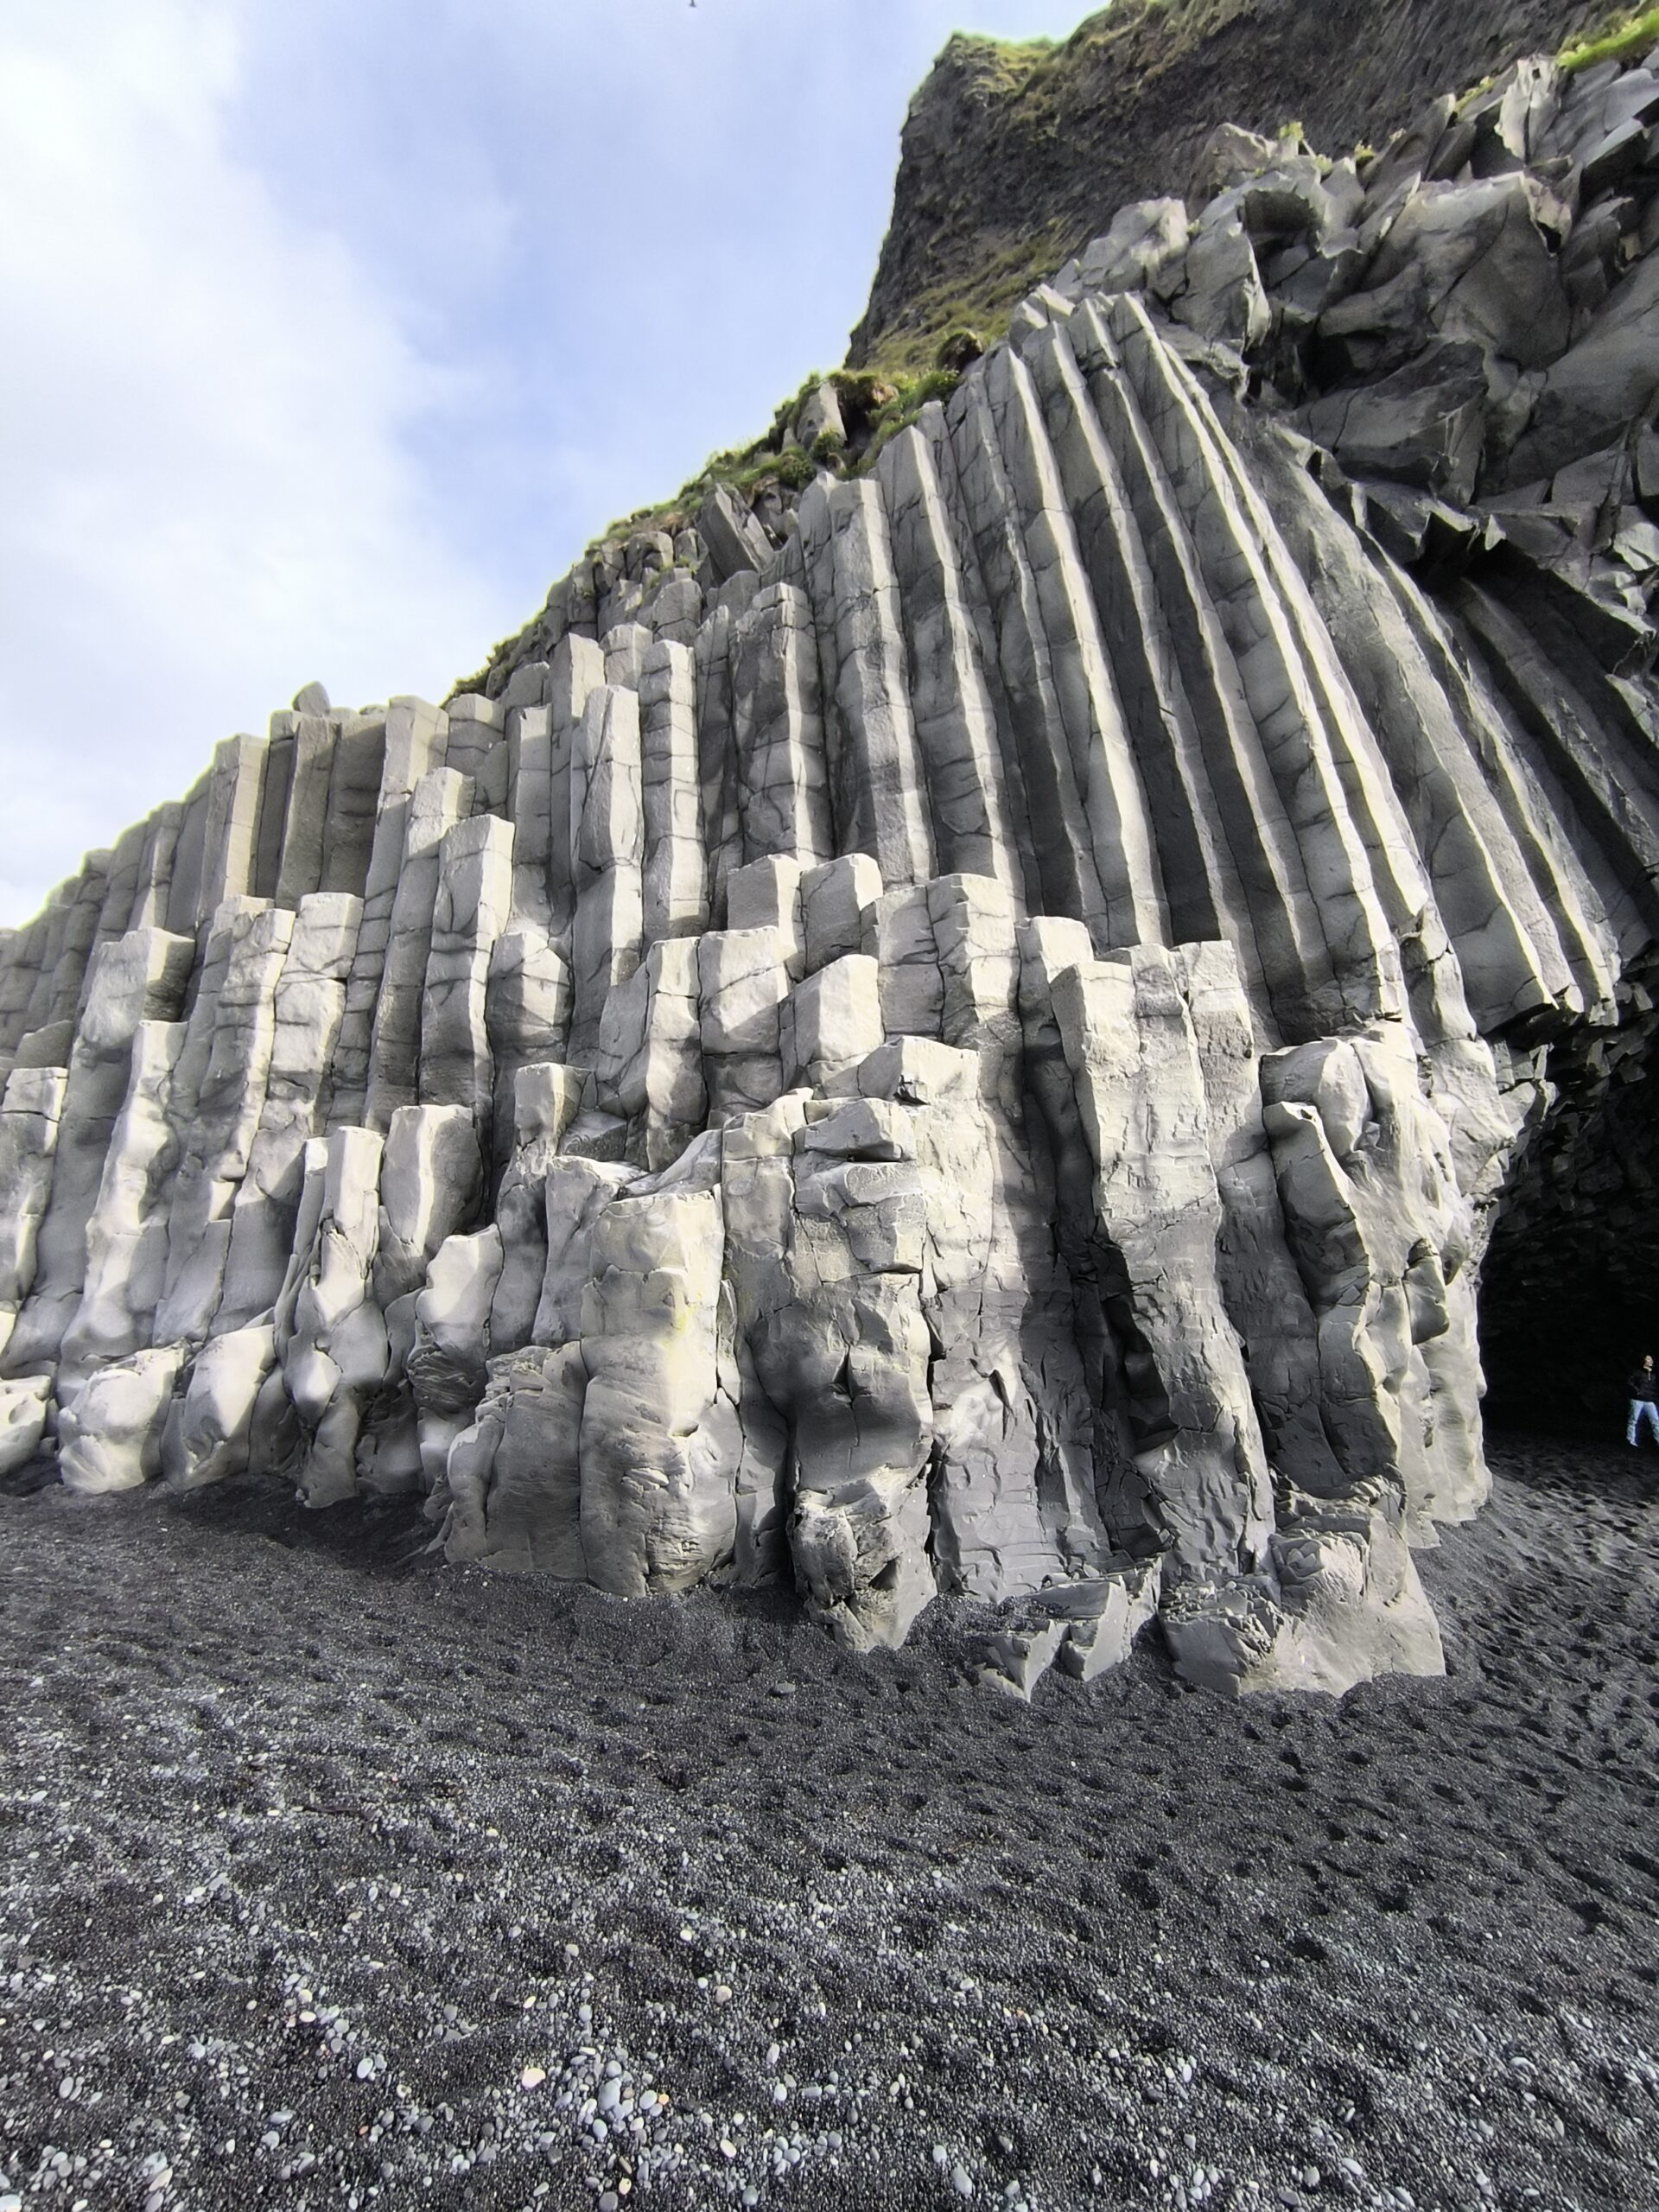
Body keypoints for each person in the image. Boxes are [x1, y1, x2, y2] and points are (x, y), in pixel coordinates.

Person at [1628, 1355, 1659, 1446]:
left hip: (1649, 1400)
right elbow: (1629, 1382)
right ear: (1644, 1361)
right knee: (1633, 1420)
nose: (1651, 1361)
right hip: (1637, 1400)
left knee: (1656, 1421)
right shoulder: (1638, 1373)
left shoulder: (1653, 1375)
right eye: (1649, 1359)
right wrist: (1637, 1391)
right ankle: (1630, 1440)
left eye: (1651, 1359)